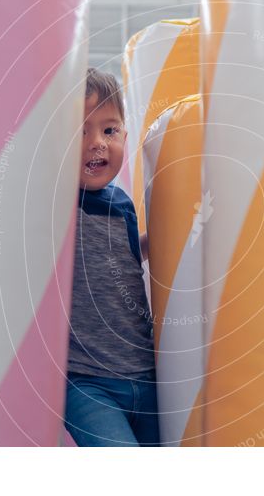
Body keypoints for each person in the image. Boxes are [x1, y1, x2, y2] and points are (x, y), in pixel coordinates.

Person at [64, 68, 159, 447]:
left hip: (145, 373)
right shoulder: (57, 204)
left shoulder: (121, 205)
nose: (97, 143)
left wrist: (177, 235)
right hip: (85, 380)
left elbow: (128, 258)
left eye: (109, 130)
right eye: (80, 131)